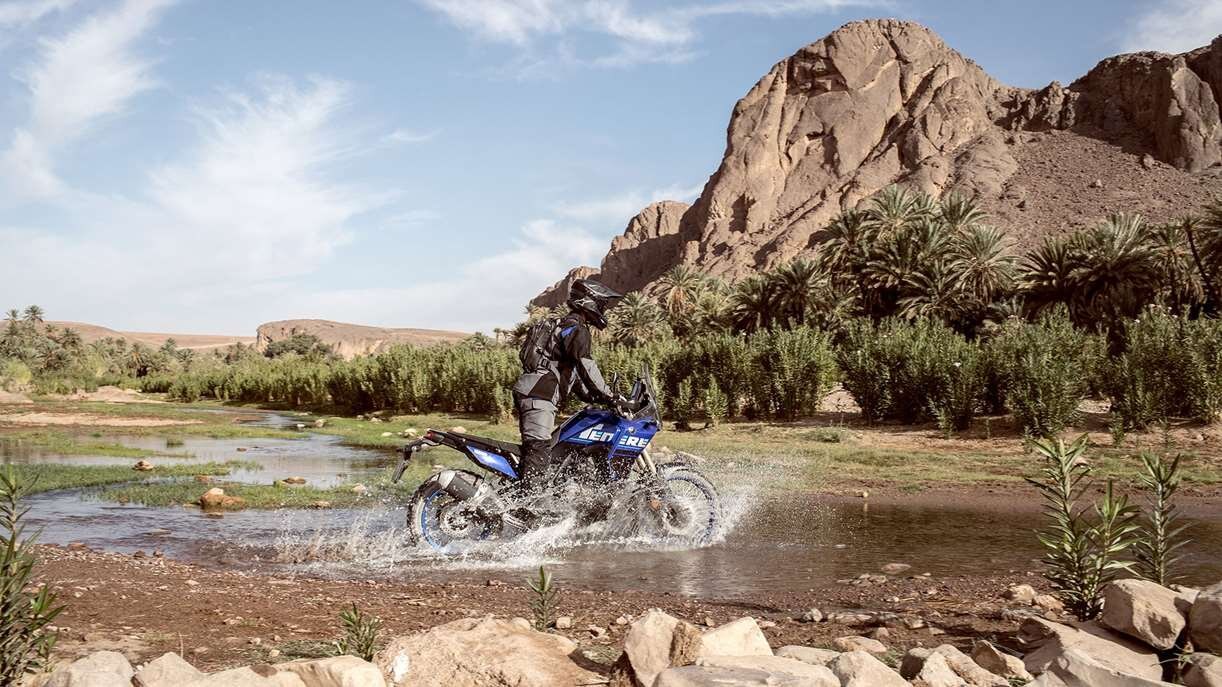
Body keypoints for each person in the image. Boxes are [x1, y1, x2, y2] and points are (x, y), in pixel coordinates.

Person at [512, 278, 626, 491]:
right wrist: (609, 395)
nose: (603, 309)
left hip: (536, 391)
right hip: (539, 394)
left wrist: (597, 397)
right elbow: (586, 365)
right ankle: (527, 503)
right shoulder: (576, 329)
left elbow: (574, 378)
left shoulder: (567, 326)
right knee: (539, 449)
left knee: (550, 448)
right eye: (601, 304)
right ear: (589, 302)